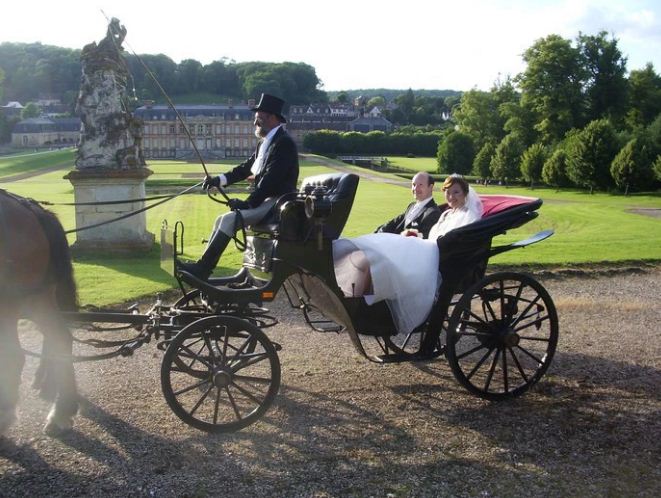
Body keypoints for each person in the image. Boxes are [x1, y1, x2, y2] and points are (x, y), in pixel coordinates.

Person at [333, 174, 483, 334]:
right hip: (429, 247)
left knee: (393, 249)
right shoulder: (446, 214)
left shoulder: (467, 216)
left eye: (456, 192)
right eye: (448, 192)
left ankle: (375, 294)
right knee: (384, 244)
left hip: (438, 253)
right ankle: (364, 286)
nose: (451, 197)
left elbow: (453, 241)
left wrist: (414, 238)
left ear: (465, 194)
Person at [178, 93, 299, 280]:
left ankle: (203, 269)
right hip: (266, 200)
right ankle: (202, 266)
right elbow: (244, 169)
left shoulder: (284, 143)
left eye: (258, 116)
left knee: (228, 220)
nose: (255, 121)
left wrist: (248, 204)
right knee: (221, 219)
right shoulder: (265, 144)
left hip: (277, 203)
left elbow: (271, 180)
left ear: (271, 117)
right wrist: (218, 180)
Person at [375, 171, 441, 238]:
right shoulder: (412, 206)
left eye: (420, 185)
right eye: (414, 185)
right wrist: (377, 233)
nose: (415, 188)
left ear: (430, 187)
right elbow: (393, 223)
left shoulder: (433, 213)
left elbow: (423, 241)